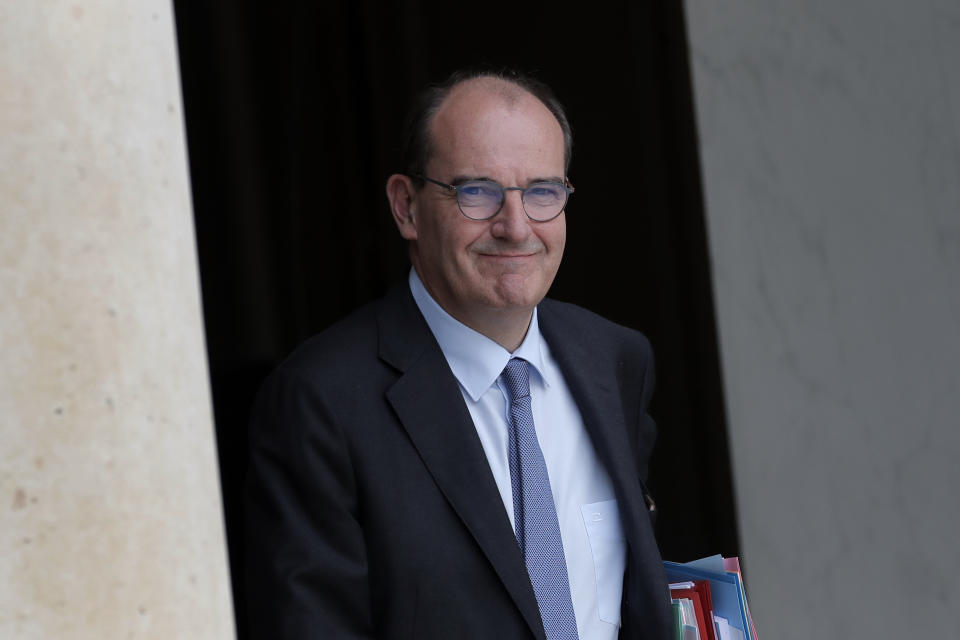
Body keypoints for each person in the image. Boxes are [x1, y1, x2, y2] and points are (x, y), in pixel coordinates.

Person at [245, 68, 673, 640]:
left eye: (542, 192)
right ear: (406, 207)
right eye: (477, 191)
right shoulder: (320, 402)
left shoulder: (616, 360)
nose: (516, 226)